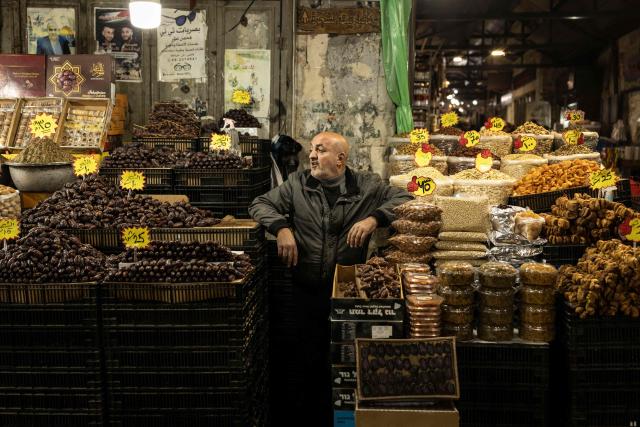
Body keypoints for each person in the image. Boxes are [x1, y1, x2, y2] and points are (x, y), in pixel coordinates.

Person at [249, 131, 412, 425]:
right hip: (305, 288)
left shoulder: (367, 185)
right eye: (311, 149)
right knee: (307, 360)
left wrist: (373, 218)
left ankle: (341, 418)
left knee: (343, 362)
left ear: (340, 159)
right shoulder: (298, 184)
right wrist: (281, 228)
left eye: (320, 150)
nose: (311, 155)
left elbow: (404, 198)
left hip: (347, 294)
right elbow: (260, 203)